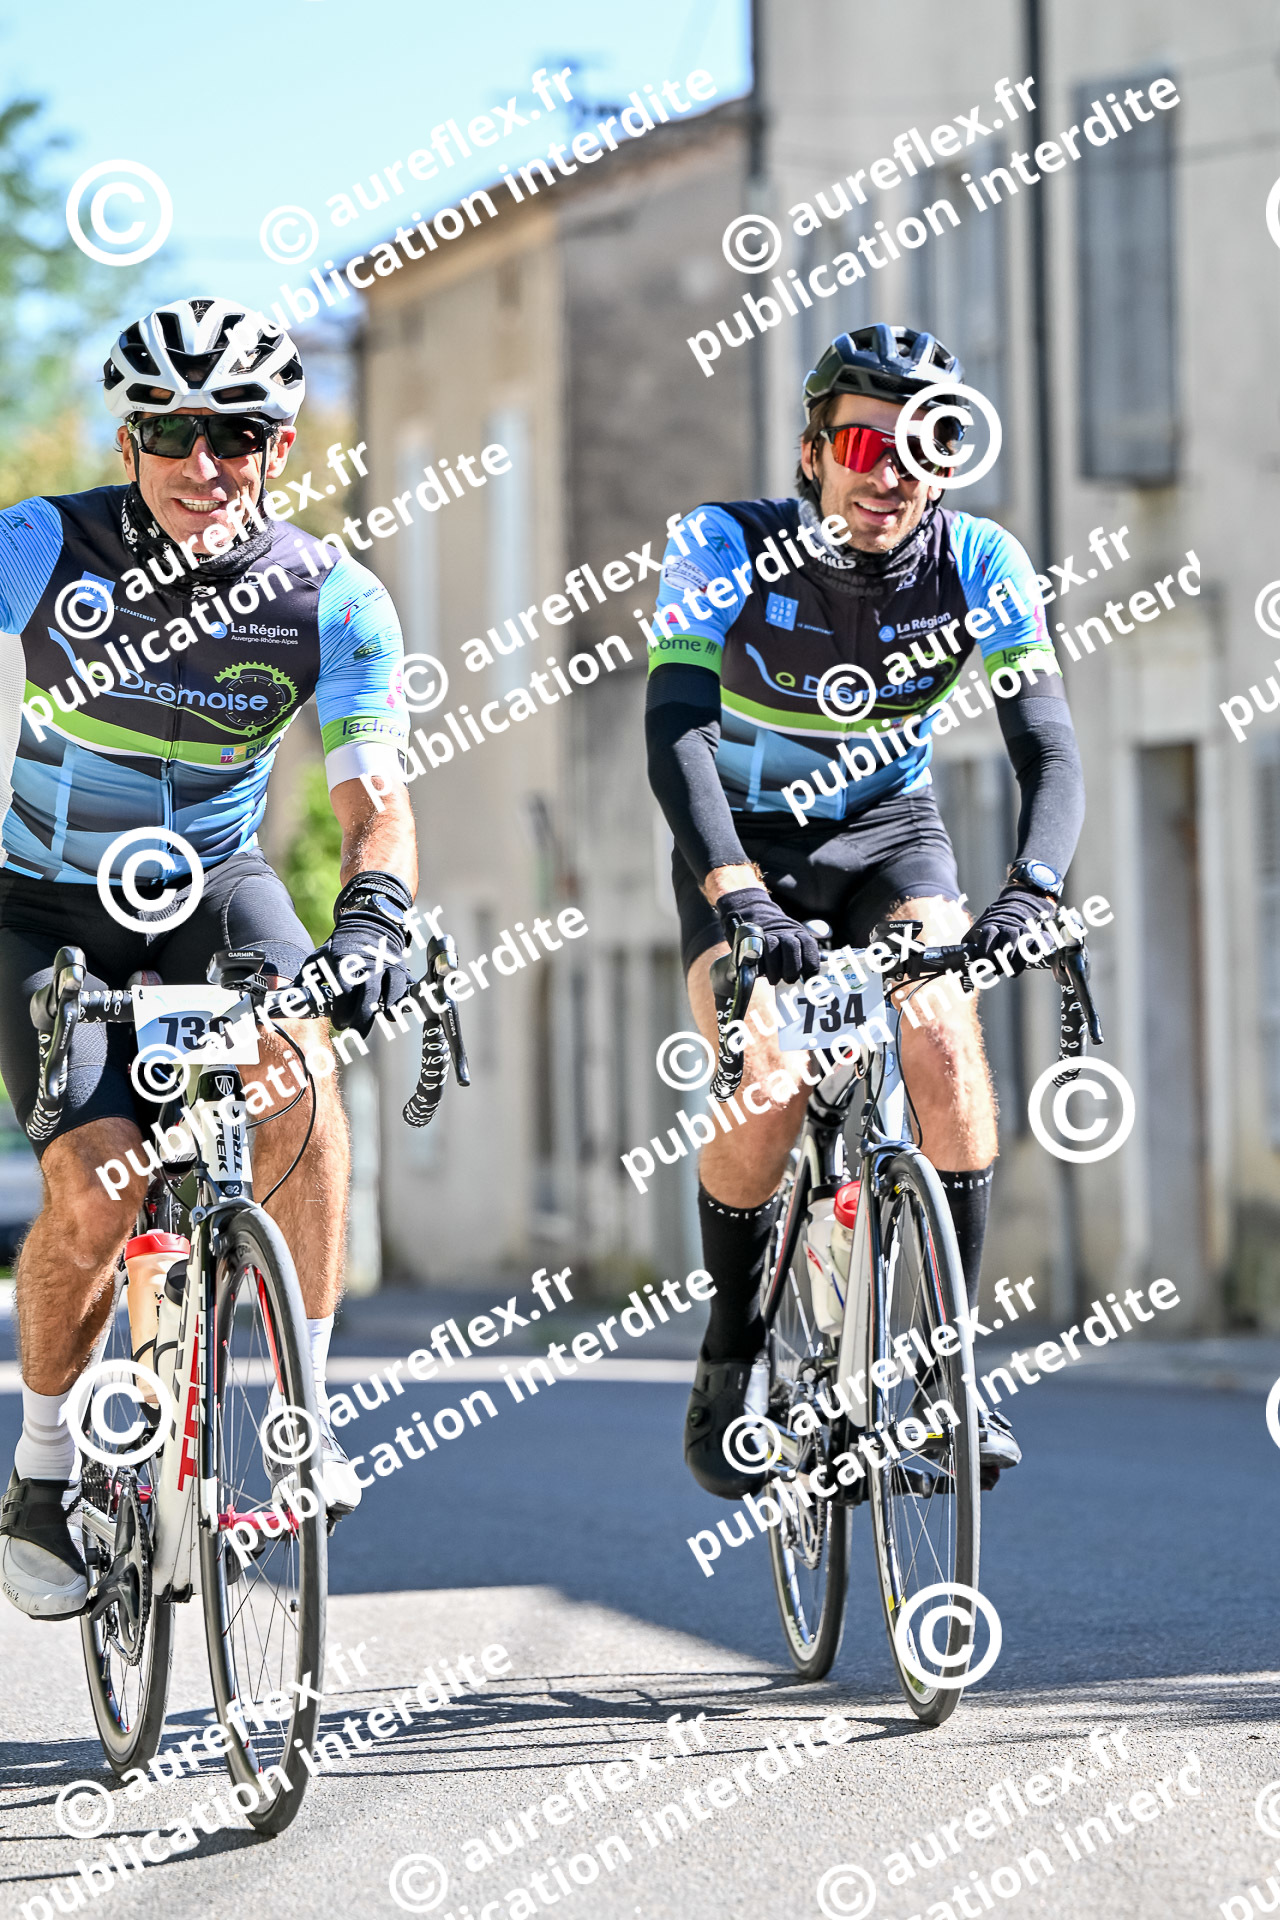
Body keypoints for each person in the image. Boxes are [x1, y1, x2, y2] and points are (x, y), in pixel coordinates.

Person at [0, 298, 417, 1618]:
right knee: (90, 1194)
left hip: (212, 888)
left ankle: (303, 1415)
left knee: (303, 1073)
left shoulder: (332, 597)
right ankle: (44, 1466)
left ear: (278, 446)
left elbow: (374, 796)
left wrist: (375, 915)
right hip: (40, 898)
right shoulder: (36, 547)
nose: (202, 462)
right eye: (171, 432)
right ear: (128, 440)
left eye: (232, 434)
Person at [645, 324, 1084, 1498]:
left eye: (919, 447)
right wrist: (735, 889)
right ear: (810, 454)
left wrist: (1030, 888)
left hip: (889, 835)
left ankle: (947, 1373)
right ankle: (731, 1354)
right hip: (745, 843)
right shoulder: (723, 543)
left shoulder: (980, 560)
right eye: (858, 444)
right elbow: (675, 729)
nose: (886, 471)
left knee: (940, 1034)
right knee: (769, 1078)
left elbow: (1045, 745)